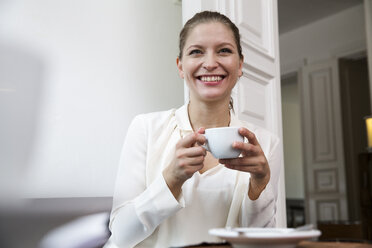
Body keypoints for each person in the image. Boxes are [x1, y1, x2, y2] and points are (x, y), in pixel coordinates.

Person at [103, 11, 281, 248]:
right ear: (180, 66)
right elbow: (121, 235)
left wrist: (259, 187)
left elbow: (261, 244)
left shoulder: (266, 144)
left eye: (224, 51)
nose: (209, 63)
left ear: (240, 65)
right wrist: (170, 180)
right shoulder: (145, 129)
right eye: (196, 52)